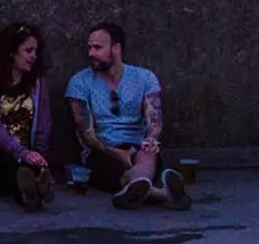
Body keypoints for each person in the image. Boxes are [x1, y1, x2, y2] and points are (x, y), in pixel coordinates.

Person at [65, 22, 192, 210]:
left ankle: (138, 187)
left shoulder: (144, 78)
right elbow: (87, 133)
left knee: (148, 153)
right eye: (89, 47)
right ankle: (162, 194)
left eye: (98, 47)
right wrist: (116, 152)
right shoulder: (80, 81)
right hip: (102, 149)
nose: (91, 53)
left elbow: (154, 119)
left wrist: (151, 139)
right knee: (115, 168)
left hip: (137, 145)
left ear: (116, 48)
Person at [0, 23, 54, 211]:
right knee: (5, 163)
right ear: (11, 52)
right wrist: (20, 152)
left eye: (36, 51)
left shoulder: (38, 85)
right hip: (0, 150)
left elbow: (44, 123)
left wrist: (39, 153)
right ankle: (32, 190)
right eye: (28, 50)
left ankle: (31, 189)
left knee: (28, 167)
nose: (33, 56)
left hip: (28, 152)